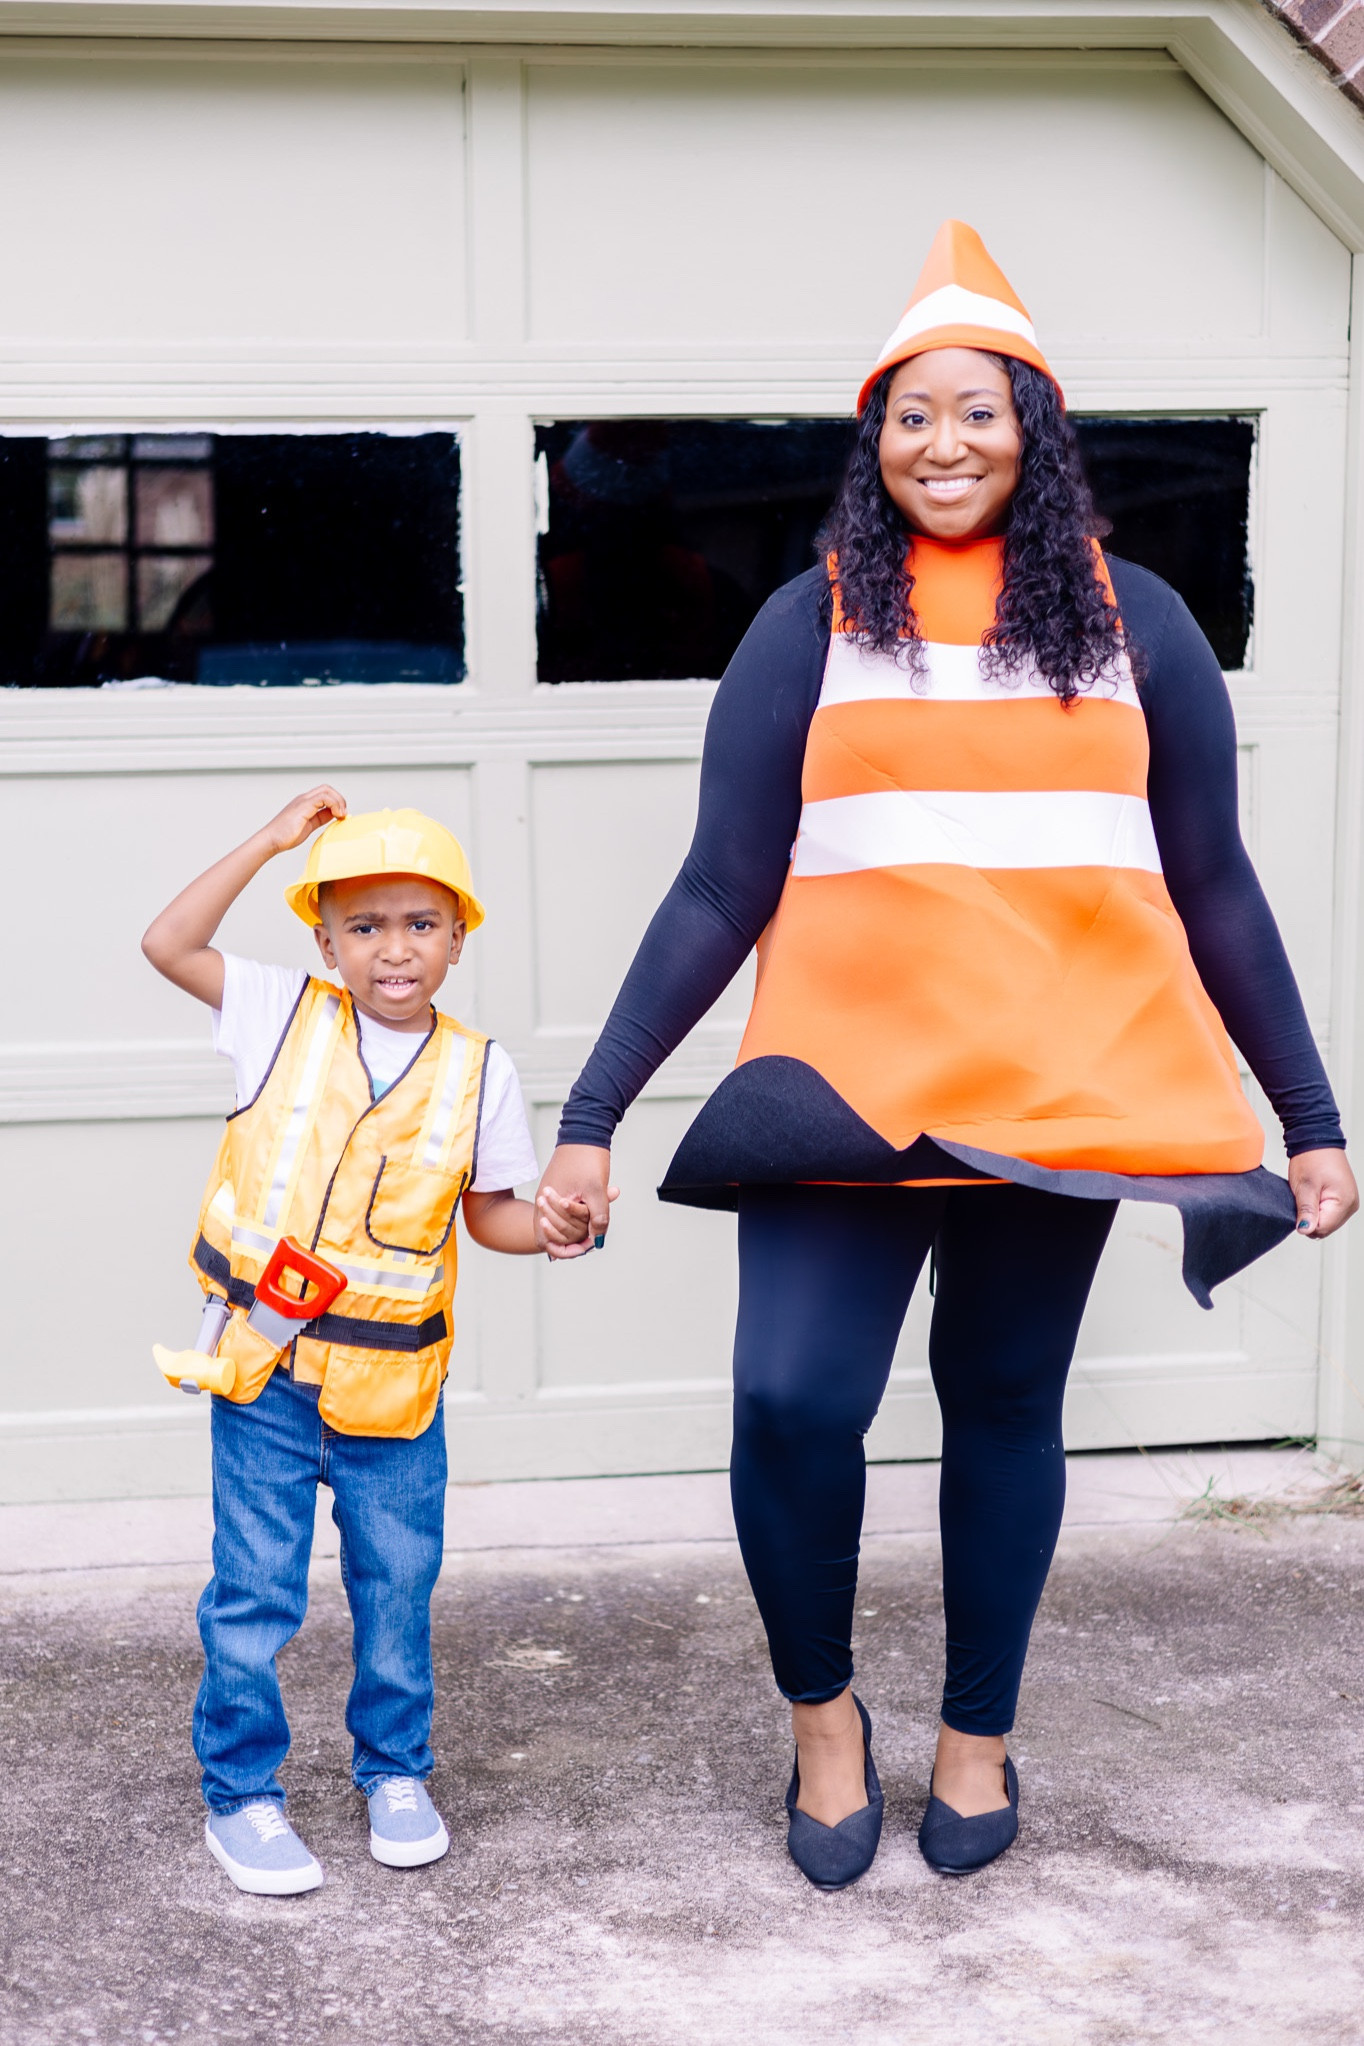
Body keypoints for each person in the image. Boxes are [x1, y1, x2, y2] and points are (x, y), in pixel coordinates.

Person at [535, 221, 1358, 1889]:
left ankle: (973, 1734)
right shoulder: (807, 623)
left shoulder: (1140, 630)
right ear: (873, 439)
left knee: (999, 1404)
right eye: (906, 415)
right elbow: (717, 886)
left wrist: (1307, 1116)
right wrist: (590, 1113)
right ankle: (819, 1713)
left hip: (1046, 1102)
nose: (939, 442)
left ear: (1033, 429)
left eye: (973, 410)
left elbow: (1211, 889)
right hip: (831, 1095)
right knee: (788, 1399)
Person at [143, 791, 587, 1895]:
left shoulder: (481, 1072)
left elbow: (488, 1218)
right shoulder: (274, 1015)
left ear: (457, 936)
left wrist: (553, 1228)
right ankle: (241, 1797)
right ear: (325, 939)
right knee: (255, 1593)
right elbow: (167, 942)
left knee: (397, 1587)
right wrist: (271, 841)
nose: (395, 949)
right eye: (366, 925)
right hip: (266, 1374)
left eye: (421, 923)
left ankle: (394, 1772)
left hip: (396, 1389)